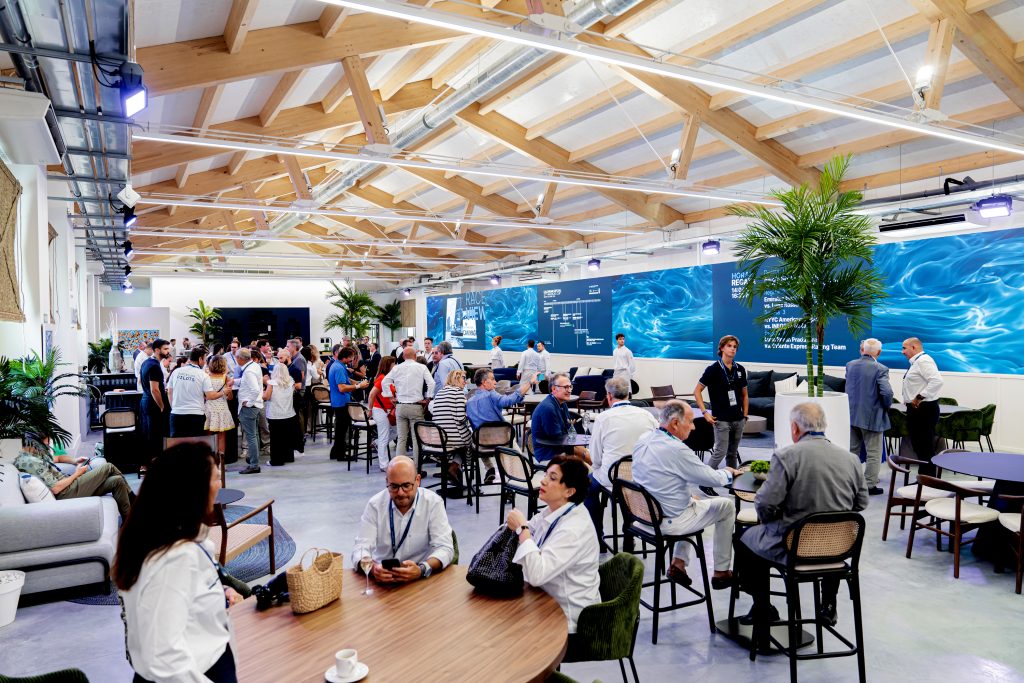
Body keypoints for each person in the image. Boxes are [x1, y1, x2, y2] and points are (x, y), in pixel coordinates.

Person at [115, 442, 240, 683]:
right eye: (215, 478)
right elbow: (164, 658)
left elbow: (171, 600)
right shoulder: (175, 558)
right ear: (193, 490)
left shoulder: (156, 539)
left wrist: (216, 593)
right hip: (196, 672)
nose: (219, 485)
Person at [735, 402, 868, 627]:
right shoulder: (851, 460)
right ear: (824, 425)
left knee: (742, 538)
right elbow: (862, 502)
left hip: (793, 545)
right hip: (839, 548)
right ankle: (828, 603)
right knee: (828, 535)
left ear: (795, 428)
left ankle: (762, 607)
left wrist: (771, 521)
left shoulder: (786, 456)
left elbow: (765, 505)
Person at [633, 400, 741, 589]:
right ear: (675, 423)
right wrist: (729, 472)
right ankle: (721, 572)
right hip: (668, 521)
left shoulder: (644, 438)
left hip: (644, 516)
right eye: (690, 422)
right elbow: (711, 478)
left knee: (692, 502)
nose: (693, 427)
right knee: (726, 506)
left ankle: (679, 563)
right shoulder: (677, 449)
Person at [506, 455, 600, 633]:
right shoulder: (555, 510)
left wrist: (521, 529)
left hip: (568, 618)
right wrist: (521, 529)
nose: (543, 481)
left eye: (552, 478)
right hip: (544, 598)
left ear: (569, 492)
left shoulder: (574, 530)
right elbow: (530, 529)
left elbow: (537, 575)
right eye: (545, 475)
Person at [352, 456, 455, 584]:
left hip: (419, 579)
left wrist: (422, 569)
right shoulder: (375, 505)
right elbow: (360, 549)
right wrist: (374, 569)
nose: (400, 493)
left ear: (418, 480)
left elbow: (445, 548)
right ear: (387, 482)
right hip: (383, 580)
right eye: (394, 486)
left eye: (406, 485)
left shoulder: (433, 503)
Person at [583, 376, 658, 550]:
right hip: (642, 476)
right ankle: (629, 534)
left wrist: (598, 467)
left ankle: (598, 538)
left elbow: (595, 457)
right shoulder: (647, 415)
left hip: (612, 477)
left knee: (586, 487)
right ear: (629, 394)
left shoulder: (603, 418)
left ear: (609, 396)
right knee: (628, 492)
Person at [14, 442, 133, 519]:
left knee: (117, 481)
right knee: (108, 467)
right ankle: (133, 497)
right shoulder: (29, 462)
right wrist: (77, 474)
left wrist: (75, 460)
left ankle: (128, 522)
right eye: (46, 442)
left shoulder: (35, 454)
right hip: (65, 493)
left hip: (69, 485)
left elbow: (58, 458)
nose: (48, 445)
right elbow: (55, 488)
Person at [467, 367, 535, 485]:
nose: (495, 382)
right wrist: (530, 383)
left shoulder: (469, 403)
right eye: (493, 379)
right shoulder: (491, 395)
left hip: (481, 444)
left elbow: (474, 426)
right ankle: (519, 476)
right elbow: (509, 400)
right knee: (511, 443)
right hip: (501, 441)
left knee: (478, 434)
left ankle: (490, 468)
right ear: (484, 382)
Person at [846, 338, 893, 495]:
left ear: (862, 350)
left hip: (852, 415)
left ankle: (850, 482)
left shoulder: (850, 365)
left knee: (852, 451)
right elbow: (887, 392)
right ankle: (869, 485)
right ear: (878, 352)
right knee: (874, 453)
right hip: (872, 417)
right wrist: (886, 406)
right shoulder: (880, 368)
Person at [694, 335, 748, 470]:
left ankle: (732, 481)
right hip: (721, 419)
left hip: (738, 419)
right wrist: (705, 412)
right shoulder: (713, 369)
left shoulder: (740, 369)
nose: (733, 349)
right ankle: (706, 479)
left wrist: (745, 415)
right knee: (720, 452)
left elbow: (745, 395)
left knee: (732, 454)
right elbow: (697, 391)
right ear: (722, 348)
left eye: (735, 347)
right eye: (729, 346)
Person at [382, 346, 435, 462]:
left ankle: (399, 466)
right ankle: (416, 467)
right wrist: (428, 398)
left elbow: (384, 382)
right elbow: (431, 383)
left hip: (400, 406)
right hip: (415, 406)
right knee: (416, 438)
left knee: (401, 438)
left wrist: (390, 397)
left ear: (403, 356)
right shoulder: (421, 367)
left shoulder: (396, 368)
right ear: (415, 356)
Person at [901, 337, 944, 476]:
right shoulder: (917, 362)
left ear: (914, 347)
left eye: (904, 348)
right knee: (919, 446)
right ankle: (923, 478)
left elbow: (937, 381)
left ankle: (928, 480)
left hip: (923, 410)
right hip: (917, 410)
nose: (902, 352)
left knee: (924, 447)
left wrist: (919, 397)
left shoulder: (923, 361)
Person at [428, 369, 473, 498]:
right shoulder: (458, 392)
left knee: (460, 444)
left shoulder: (440, 392)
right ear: (456, 378)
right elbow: (460, 418)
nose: (465, 381)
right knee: (470, 442)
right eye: (463, 378)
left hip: (438, 437)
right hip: (452, 436)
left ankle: (452, 469)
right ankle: (453, 468)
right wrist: (469, 417)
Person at [531, 373, 589, 464]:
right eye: (566, 387)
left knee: (590, 455)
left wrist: (583, 449)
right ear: (554, 389)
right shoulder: (548, 408)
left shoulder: (562, 404)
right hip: (548, 455)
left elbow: (567, 431)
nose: (569, 390)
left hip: (561, 447)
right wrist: (583, 453)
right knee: (588, 462)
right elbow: (558, 439)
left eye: (570, 387)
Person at [168, 348, 223, 438]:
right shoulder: (203, 375)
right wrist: (223, 392)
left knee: (177, 444)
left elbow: (170, 392)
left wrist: (174, 407)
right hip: (195, 414)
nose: (205, 362)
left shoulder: (176, 371)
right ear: (200, 359)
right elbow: (210, 395)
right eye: (205, 359)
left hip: (176, 414)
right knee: (195, 444)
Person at [328, 345, 370, 462]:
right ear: (345, 357)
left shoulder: (338, 365)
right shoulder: (339, 368)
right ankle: (341, 454)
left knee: (340, 429)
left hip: (339, 401)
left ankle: (335, 452)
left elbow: (347, 380)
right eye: (351, 358)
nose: (352, 360)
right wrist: (358, 386)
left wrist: (359, 383)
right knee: (342, 429)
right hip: (341, 402)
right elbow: (342, 387)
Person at [140, 338, 171, 463]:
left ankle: (149, 462)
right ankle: (154, 463)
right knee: (155, 435)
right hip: (153, 403)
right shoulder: (154, 366)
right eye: (165, 349)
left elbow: (141, 381)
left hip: (146, 401)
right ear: (157, 350)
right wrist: (162, 406)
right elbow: (155, 390)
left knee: (149, 433)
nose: (168, 351)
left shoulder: (147, 362)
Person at [263, 360, 298, 467]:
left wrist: (262, 390)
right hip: (289, 413)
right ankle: (288, 457)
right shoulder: (291, 382)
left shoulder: (272, 383)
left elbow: (266, 397)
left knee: (276, 439)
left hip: (275, 415)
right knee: (287, 437)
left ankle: (277, 461)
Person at [367, 355, 398, 472]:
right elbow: (371, 394)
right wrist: (370, 409)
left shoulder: (388, 378)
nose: (395, 366)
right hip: (380, 410)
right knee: (384, 436)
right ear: (388, 365)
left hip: (388, 410)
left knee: (395, 431)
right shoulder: (382, 379)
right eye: (393, 364)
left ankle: (376, 443)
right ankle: (384, 464)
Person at [236, 348, 264, 475]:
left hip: (250, 407)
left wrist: (249, 403)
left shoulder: (249, 371)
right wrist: (234, 381)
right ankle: (253, 459)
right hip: (255, 406)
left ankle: (254, 464)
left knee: (251, 436)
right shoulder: (254, 365)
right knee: (254, 435)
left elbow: (255, 389)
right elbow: (247, 382)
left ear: (240, 359)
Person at [204, 354, 234, 460]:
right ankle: (221, 461)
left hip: (208, 408)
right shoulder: (226, 378)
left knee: (208, 435)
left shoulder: (206, 377)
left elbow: (204, 395)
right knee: (221, 436)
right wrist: (228, 390)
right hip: (222, 409)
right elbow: (230, 398)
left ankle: (209, 460)